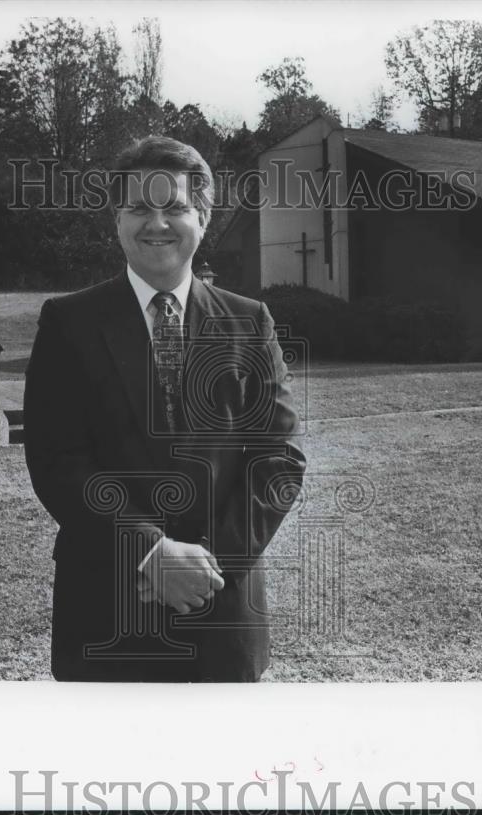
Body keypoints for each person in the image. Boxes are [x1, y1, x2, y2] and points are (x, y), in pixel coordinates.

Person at [23, 136, 306, 682]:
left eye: (174, 207)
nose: (157, 223)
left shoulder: (251, 322)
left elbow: (279, 460)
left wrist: (204, 566)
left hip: (223, 612)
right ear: (117, 220)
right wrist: (152, 553)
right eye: (138, 208)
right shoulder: (67, 323)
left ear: (203, 217)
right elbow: (58, 463)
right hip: (108, 610)